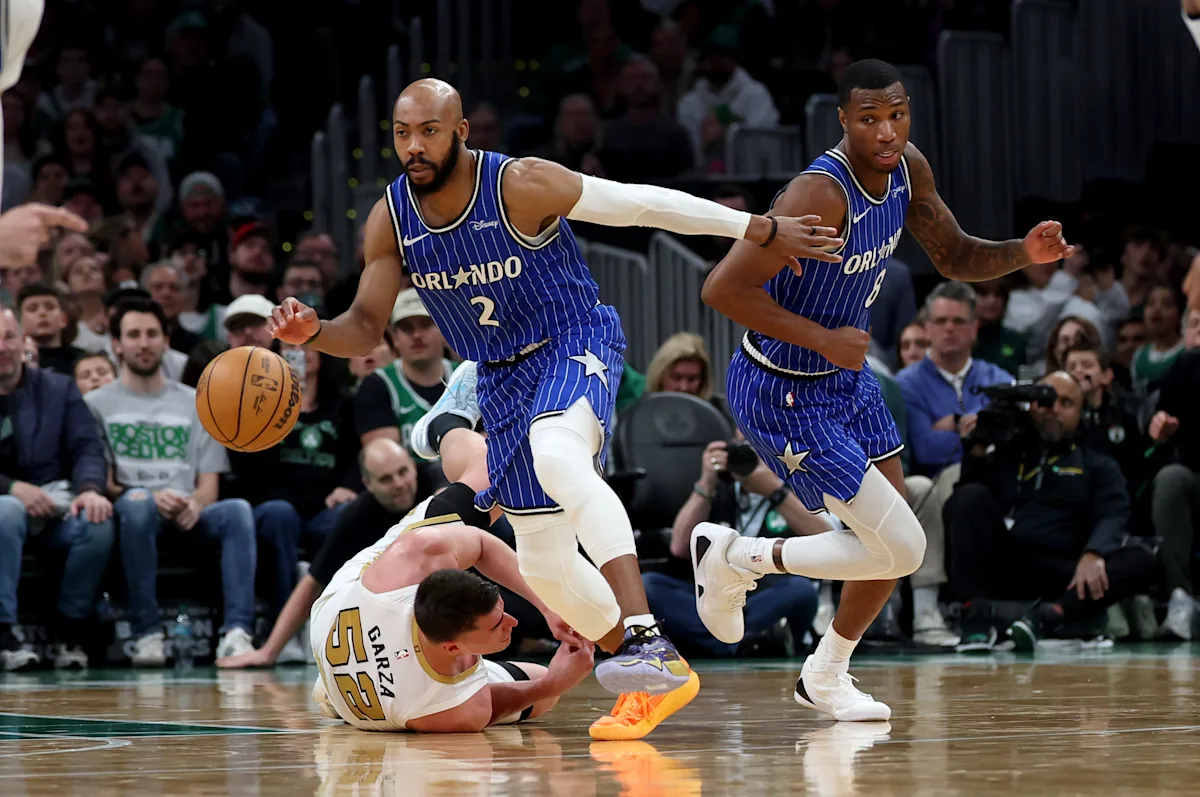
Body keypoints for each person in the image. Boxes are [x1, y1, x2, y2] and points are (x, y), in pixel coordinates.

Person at [269, 78, 841, 735]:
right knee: (544, 561)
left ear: (460, 131)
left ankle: (646, 636)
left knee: (558, 455)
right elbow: (367, 326)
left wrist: (761, 229)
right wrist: (315, 331)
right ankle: (660, 676)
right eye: (402, 134)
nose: (414, 146)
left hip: (572, 340)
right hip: (501, 375)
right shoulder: (390, 217)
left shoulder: (518, 183)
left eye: (429, 130)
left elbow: (639, 204)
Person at [694, 59, 1073, 722]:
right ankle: (736, 555)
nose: (887, 131)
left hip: (844, 376)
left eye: (897, 115)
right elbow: (722, 289)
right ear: (843, 120)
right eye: (869, 118)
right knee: (903, 544)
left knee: (889, 542)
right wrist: (821, 337)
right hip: (780, 387)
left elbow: (952, 255)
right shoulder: (818, 195)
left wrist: (1023, 252)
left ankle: (826, 673)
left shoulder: (907, 167)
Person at [309, 438, 596, 733]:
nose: (512, 621)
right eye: (496, 624)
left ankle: (444, 426)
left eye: (501, 612)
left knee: (492, 474)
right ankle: (331, 689)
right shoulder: (454, 710)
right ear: (453, 647)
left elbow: (480, 544)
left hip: (335, 615)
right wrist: (552, 684)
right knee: (541, 686)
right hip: (386, 670)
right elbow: (488, 706)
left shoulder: (417, 555)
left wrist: (549, 605)